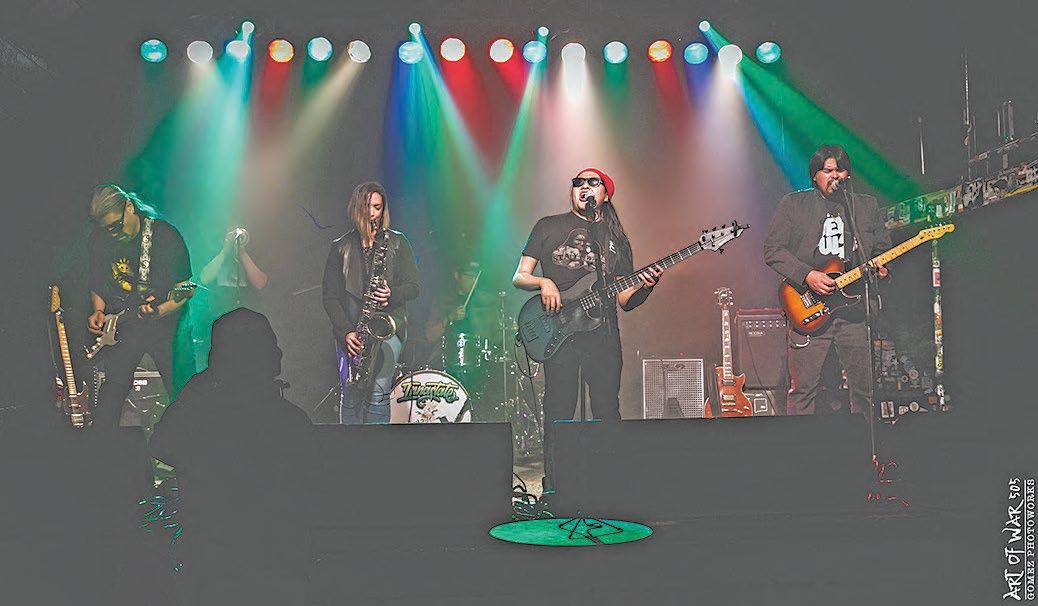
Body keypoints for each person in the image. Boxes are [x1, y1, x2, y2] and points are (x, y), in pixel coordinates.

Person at [150, 308, 316, 606]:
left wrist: (201, 383)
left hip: (211, 565)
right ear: (266, 356)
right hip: (273, 569)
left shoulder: (199, 408)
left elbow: (161, 444)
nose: (279, 353)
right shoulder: (291, 421)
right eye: (272, 345)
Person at [512, 168, 662, 493]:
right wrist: (544, 281)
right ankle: (555, 486)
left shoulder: (615, 239)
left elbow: (625, 299)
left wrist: (647, 286)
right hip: (559, 332)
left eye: (593, 183)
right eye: (578, 182)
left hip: (602, 335)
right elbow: (519, 276)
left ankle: (607, 486)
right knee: (559, 408)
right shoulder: (548, 226)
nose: (584, 187)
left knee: (606, 408)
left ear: (605, 195)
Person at [763, 144, 891, 416]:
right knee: (803, 391)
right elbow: (773, 250)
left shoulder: (865, 207)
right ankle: (802, 443)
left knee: (864, 391)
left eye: (840, 170)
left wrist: (883, 268)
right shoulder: (794, 205)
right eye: (828, 170)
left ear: (848, 174)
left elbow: (881, 249)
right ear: (815, 175)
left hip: (854, 311)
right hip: (810, 307)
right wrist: (807, 275)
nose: (835, 176)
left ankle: (865, 441)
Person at [86, 183, 194, 433]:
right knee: (112, 389)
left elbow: (185, 289)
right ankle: (101, 446)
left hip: (168, 327)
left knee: (184, 391)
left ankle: (190, 448)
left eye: (116, 226)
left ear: (129, 207)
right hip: (126, 327)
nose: (113, 233)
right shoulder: (100, 241)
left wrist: (159, 311)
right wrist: (98, 310)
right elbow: (97, 282)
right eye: (107, 229)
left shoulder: (165, 236)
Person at [322, 181, 419, 424]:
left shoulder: (397, 242)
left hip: (389, 328)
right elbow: (330, 297)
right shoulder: (340, 247)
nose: (373, 213)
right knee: (350, 394)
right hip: (351, 332)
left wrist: (391, 294)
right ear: (357, 208)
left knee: (378, 394)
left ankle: (377, 447)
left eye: (378, 207)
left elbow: (414, 286)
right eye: (368, 207)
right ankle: (350, 446)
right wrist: (346, 331)